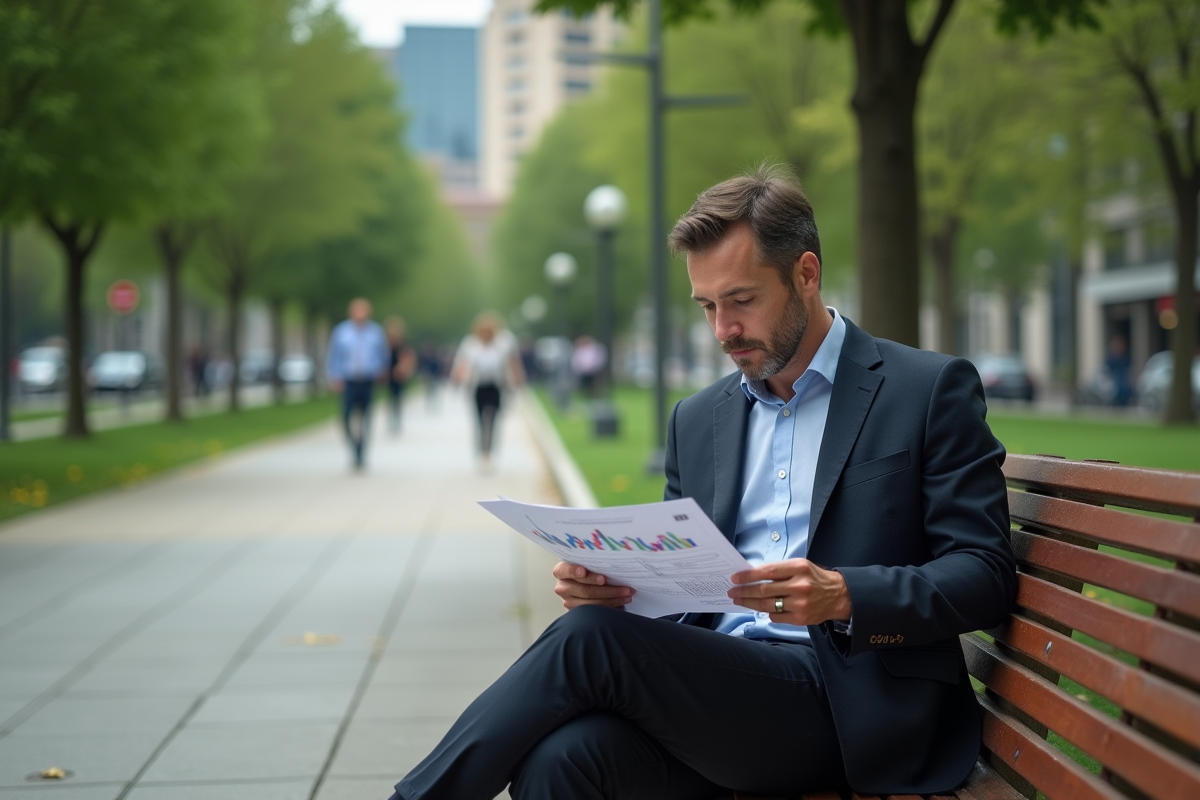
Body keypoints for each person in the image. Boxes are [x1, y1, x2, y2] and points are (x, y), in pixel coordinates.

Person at [390, 166, 1015, 800]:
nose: (723, 330)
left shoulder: (925, 390)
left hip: (855, 704)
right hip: (725, 696)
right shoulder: (698, 418)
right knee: (564, 756)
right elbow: (682, 581)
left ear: (806, 274)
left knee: (589, 643)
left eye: (741, 301)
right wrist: (616, 588)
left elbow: (985, 573)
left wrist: (844, 594)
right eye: (708, 306)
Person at [451, 310, 525, 471]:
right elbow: (462, 363)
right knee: (479, 420)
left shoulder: (504, 344)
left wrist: (518, 381)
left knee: (491, 418)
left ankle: (488, 452)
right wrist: (458, 379)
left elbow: (513, 362)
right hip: (477, 387)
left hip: (495, 386)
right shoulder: (470, 344)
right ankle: (481, 451)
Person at [325, 298, 388, 469]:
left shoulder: (375, 332)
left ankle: (362, 453)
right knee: (346, 417)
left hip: (367, 379)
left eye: (363, 311)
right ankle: (353, 449)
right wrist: (333, 376)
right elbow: (334, 356)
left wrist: (381, 371)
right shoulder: (341, 332)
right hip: (349, 380)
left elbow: (383, 355)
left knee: (366, 417)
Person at [385, 316, 417, 434]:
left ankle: (396, 419)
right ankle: (392, 418)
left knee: (397, 396)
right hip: (388, 372)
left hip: (399, 374)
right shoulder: (386, 342)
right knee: (390, 397)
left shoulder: (403, 343)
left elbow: (408, 356)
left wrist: (404, 368)